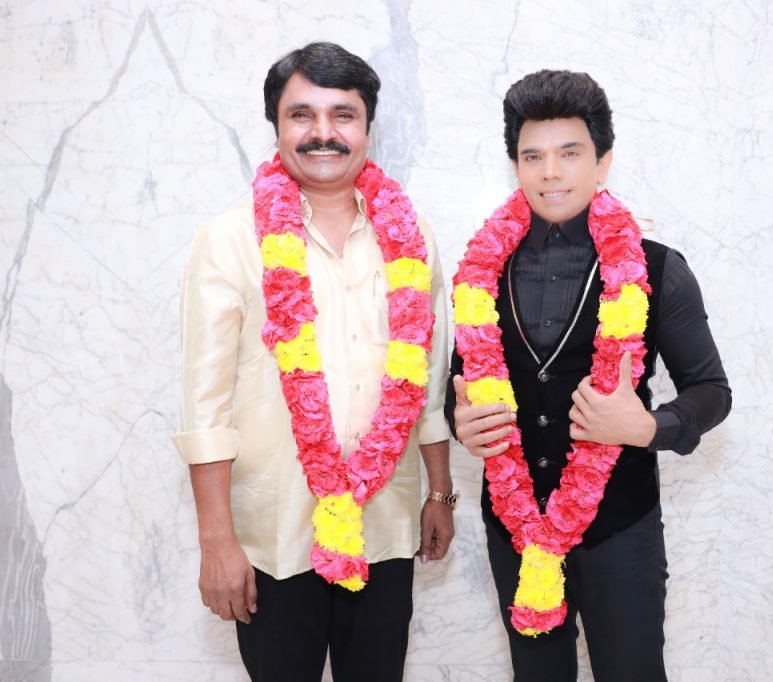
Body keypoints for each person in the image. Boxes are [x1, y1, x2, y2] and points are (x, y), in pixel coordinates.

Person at [172, 42, 455, 682]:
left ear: (367, 127)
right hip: (273, 538)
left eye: (342, 115)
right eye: (302, 114)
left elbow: (428, 382)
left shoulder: (412, 235)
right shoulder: (230, 238)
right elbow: (204, 406)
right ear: (276, 125)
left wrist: (439, 492)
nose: (323, 133)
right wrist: (217, 541)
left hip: (385, 525)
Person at [445, 69, 731, 681]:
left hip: (619, 529)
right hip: (514, 527)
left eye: (570, 153)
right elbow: (462, 382)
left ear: (603, 161)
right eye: (533, 156)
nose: (551, 172)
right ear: (515, 165)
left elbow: (712, 391)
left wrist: (647, 427)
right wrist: (460, 420)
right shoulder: (479, 275)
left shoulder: (656, 268)